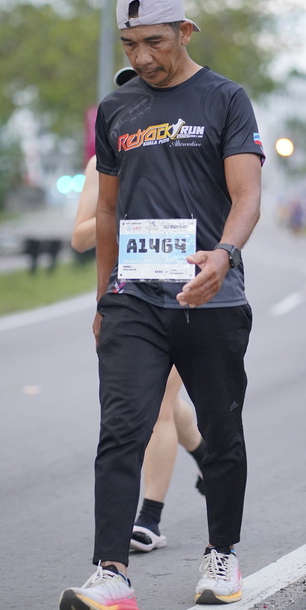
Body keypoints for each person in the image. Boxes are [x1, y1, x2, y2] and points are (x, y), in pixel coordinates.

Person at [59, 0, 264, 610]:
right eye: (130, 44)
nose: (143, 56)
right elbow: (108, 211)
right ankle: (111, 576)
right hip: (136, 299)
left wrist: (224, 254)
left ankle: (222, 555)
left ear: (185, 31)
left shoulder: (226, 99)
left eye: (154, 41)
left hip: (211, 297)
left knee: (222, 432)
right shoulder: (117, 110)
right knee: (122, 429)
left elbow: (247, 196)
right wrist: (104, 298)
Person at [71, 148, 206, 554]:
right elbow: (80, 237)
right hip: (130, 299)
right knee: (163, 400)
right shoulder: (102, 164)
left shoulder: (187, 149)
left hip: (182, 292)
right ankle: (207, 456)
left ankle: (149, 518)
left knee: (161, 402)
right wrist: (127, 210)